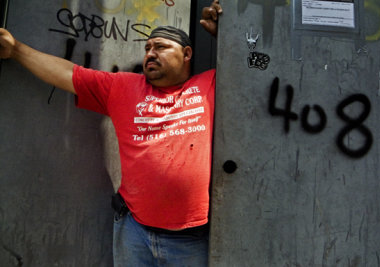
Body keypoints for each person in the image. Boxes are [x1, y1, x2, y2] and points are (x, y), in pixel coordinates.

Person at [0, 0, 222, 266]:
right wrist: (15, 50)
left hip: (192, 240)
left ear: (187, 54)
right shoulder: (123, 88)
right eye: (147, 48)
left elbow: (258, 71)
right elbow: (67, 73)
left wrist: (225, 33)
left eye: (161, 47)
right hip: (135, 233)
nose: (150, 53)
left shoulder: (210, 84)